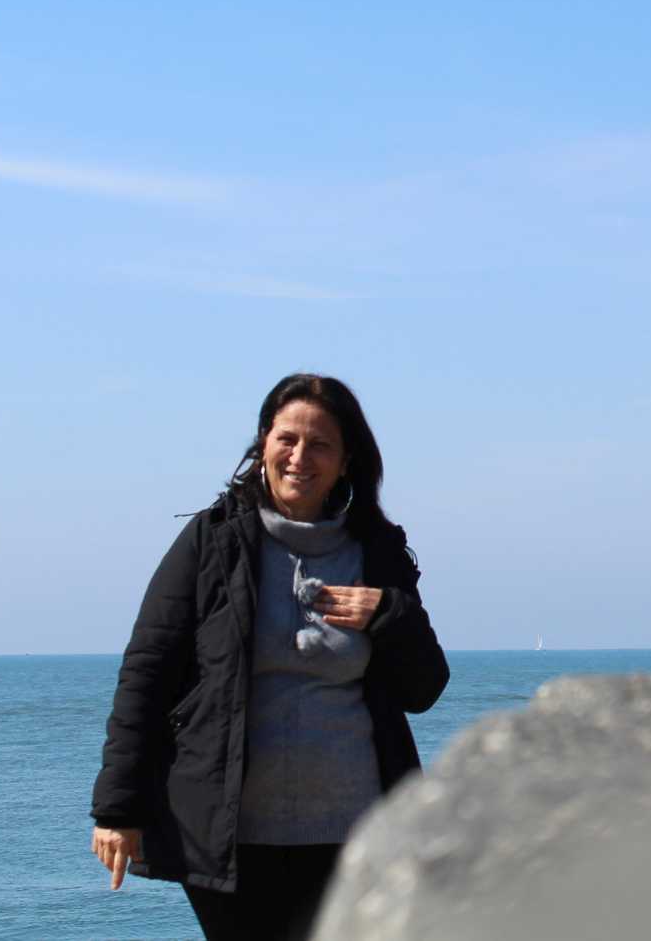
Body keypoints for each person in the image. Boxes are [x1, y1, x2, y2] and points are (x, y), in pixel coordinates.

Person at [90, 373, 449, 941]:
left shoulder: (377, 551)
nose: (300, 456)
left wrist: (389, 614)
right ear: (263, 444)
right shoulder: (214, 541)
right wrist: (116, 810)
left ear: (346, 459)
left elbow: (423, 689)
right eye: (287, 439)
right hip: (230, 836)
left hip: (356, 834)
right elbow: (147, 673)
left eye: (320, 444)